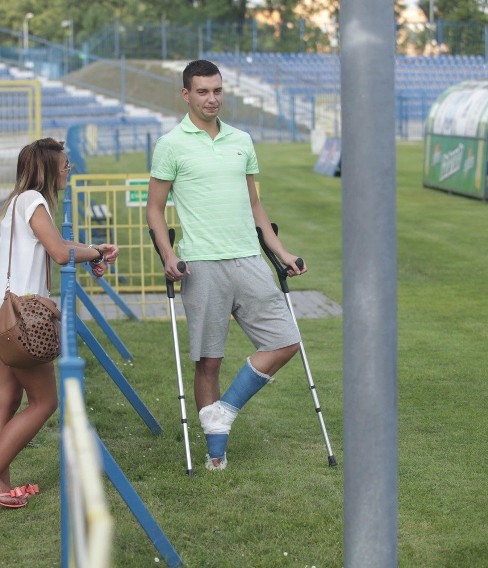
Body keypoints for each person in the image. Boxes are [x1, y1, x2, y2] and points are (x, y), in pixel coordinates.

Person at [146, 60, 307, 472]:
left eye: (217, 90)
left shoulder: (242, 140)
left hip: (249, 259)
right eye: (202, 91)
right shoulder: (170, 144)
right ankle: (216, 455)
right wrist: (169, 255)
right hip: (200, 264)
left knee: (285, 341)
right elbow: (155, 209)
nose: (211, 98)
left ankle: (227, 409)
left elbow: (255, 205)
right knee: (209, 361)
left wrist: (282, 252)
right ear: (186, 94)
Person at [0, 137, 119, 508]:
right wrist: (97, 251)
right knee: (44, 401)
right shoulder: (34, 201)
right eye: (65, 163)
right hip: (21, 320)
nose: (69, 168)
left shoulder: (15, 202)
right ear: (47, 167)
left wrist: (86, 253)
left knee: (4, 403)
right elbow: (58, 250)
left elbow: (54, 243)